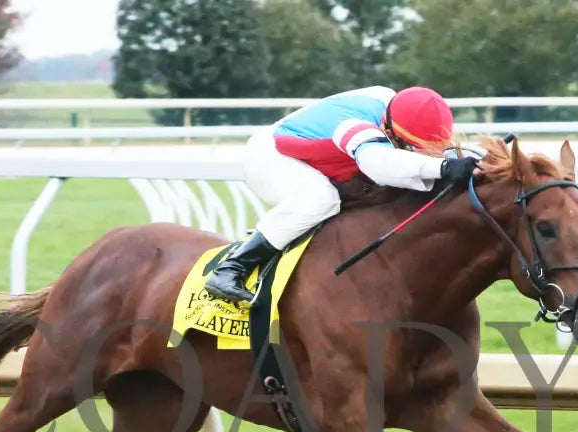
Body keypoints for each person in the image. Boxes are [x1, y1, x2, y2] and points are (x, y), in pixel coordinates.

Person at [203, 85, 483, 305]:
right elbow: (379, 164)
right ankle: (232, 268)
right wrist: (443, 167)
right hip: (271, 155)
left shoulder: (399, 107)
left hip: (322, 152)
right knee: (320, 199)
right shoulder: (356, 126)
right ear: (390, 131)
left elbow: (439, 150)